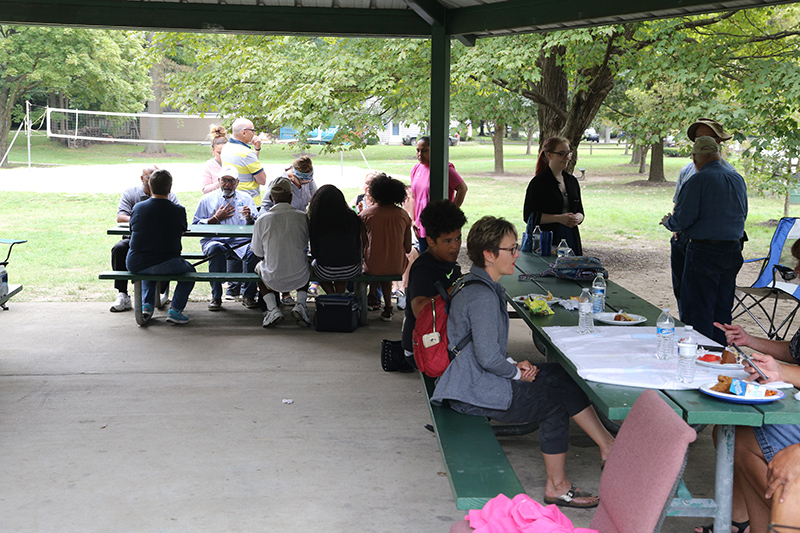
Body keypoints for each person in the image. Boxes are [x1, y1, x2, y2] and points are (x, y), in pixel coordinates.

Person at [431, 216, 614, 509]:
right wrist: (515, 373)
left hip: (474, 377)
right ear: (489, 255)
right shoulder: (482, 296)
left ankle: (607, 445)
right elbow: (488, 357)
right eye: (511, 249)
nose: (517, 254)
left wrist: (515, 364)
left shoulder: (477, 283)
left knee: (560, 375)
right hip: (471, 390)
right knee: (553, 402)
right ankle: (557, 486)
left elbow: (482, 347)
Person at [661, 136, 747, 345]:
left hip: (704, 251)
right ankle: (720, 353)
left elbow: (683, 218)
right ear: (718, 155)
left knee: (698, 309)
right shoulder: (736, 178)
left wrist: (668, 222)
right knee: (722, 308)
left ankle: (699, 354)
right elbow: (743, 213)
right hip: (733, 250)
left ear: (696, 159)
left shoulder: (698, 180)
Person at [671, 118, 736, 316]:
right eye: (699, 137)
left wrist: (673, 222)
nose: (702, 141)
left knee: (702, 304)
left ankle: (700, 340)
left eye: (707, 137)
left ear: (718, 141)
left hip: (704, 245)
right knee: (684, 293)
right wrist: (676, 227)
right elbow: (678, 204)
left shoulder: (729, 173)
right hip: (683, 240)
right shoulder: (686, 171)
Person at [401, 199, 467, 367]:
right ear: (430, 241)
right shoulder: (424, 269)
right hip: (421, 348)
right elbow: (419, 310)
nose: (455, 246)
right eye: (447, 241)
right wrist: (456, 288)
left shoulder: (448, 263)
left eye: (458, 238)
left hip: (439, 339)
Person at [125, 169, 195, 325]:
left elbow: (132, 228)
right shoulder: (178, 210)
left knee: (150, 265)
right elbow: (182, 230)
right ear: (170, 189)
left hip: (136, 262)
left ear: (150, 186)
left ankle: (147, 305)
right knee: (191, 273)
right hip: (167, 262)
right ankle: (175, 310)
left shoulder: (138, 208)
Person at [110, 165, 179, 313]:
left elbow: (176, 220)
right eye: (150, 177)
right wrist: (146, 221)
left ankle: (158, 292)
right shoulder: (131, 194)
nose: (154, 180)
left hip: (160, 241)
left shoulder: (170, 197)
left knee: (166, 252)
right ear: (143, 179)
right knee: (119, 249)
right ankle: (122, 293)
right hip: (136, 239)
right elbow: (121, 217)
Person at [192, 164, 260, 311]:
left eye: (231, 181)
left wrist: (249, 218)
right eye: (224, 180)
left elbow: (256, 224)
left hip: (241, 242)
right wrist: (214, 218)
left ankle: (248, 295)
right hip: (215, 240)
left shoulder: (246, 198)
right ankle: (216, 296)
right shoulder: (207, 199)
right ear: (218, 180)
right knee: (216, 250)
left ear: (237, 183)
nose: (227, 184)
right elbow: (195, 225)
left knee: (254, 251)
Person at [251, 177, 312, 328]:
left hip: (272, 277)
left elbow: (258, 253)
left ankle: (272, 309)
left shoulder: (262, 220)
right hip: (300, 276)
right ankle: (301, 305)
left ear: (271, 198)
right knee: (308, 264)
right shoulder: (302, 217)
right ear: (291, 197)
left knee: (258, 268)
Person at [360, 173, 412, 321]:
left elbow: (363, 244)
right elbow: (408, 248)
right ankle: (388, 307)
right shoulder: (403, 215)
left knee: (377, 260)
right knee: (386, 262)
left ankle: (373, 294)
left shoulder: (366, 215)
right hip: (397, 266)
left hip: (373, 266)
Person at [522, 136, 585, 255]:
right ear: (549, 155)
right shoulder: (538, 183)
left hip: (571, 237)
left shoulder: (572, 181)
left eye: (568, 153)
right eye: (562, 154)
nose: (567, 158)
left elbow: (580, 211)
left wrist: (577, 218)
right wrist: (559, 219)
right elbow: (529, 216)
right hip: (547, 241)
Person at [409, 136, 468, 254]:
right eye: (418, 150)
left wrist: (452, 211)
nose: (420, 154)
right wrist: (413, 220)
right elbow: (412, 196)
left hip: (439, 225)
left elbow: (462, 188)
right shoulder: (416, 169)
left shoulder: (444, 168)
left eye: (424, 150)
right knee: (425, 260)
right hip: (421, 226)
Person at [307, 184, 364, 295]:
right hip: (352, 268)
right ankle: (340, 294)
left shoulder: (317, 221)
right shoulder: (352, 218)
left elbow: (315, 252)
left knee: (315, 267)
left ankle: (332, 295)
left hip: (325, 270)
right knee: (341, 269)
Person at [220, 117, 267, 204]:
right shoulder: (247, 154)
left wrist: (257, 149)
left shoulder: (226, 147)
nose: (254, 133)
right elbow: (262, 180)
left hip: (232, 198)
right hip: (250, 202)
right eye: (252, 130)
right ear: (244, 132)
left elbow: (246, 164)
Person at [200, 124, 229, 194]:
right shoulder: (208, 165)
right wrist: (221, 182)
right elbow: (205, 190)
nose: (222, 156)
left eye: (225, 152)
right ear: (213, 150)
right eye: (219, 153)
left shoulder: (235, 163)